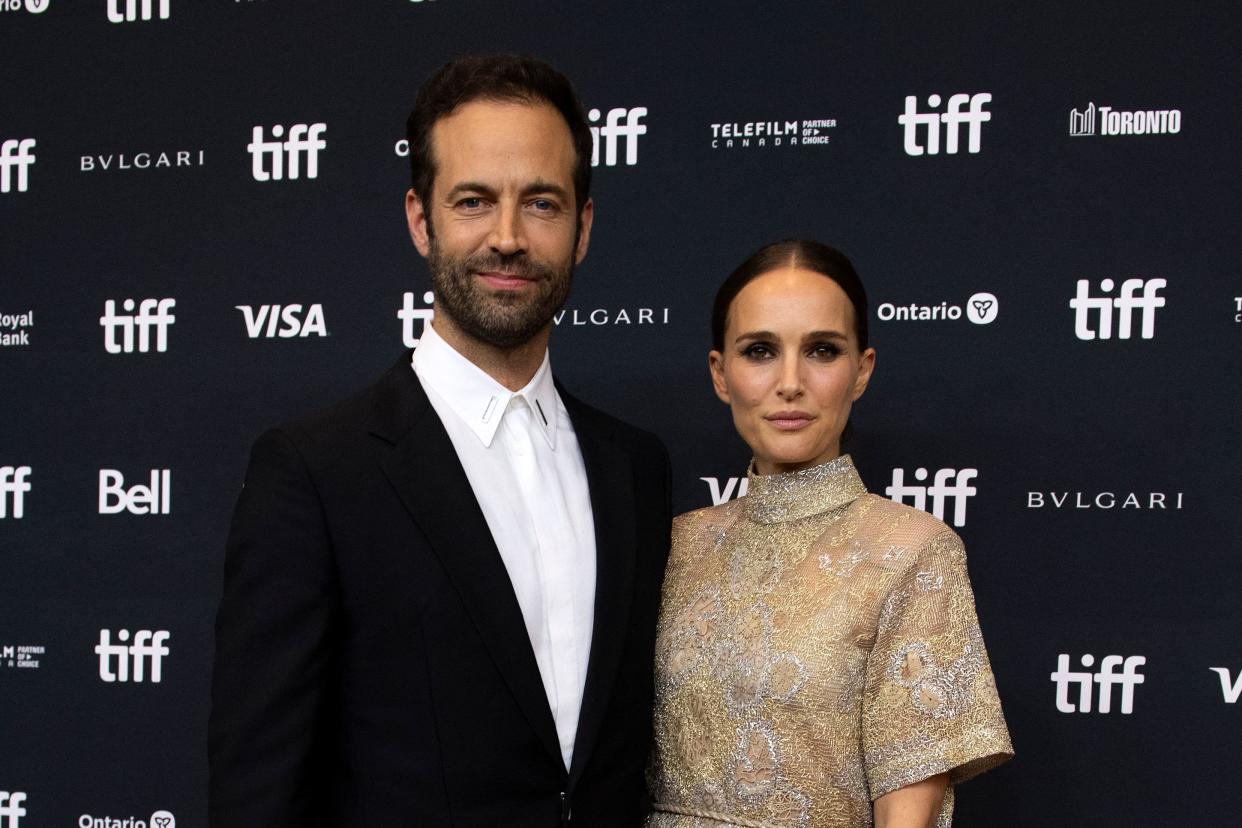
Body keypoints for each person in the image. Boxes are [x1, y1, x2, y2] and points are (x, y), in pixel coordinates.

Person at [208, 54, 671, 828]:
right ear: (421, 219)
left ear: (583, 228)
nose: (509, 237)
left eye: (543, 203)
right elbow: (259, 792)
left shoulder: (637, 468)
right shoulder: (316, 474)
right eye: (473, 201)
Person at [647, 240, 1012, 828]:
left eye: (821, 350)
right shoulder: (671, 545)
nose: (790, 382)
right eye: (760, 350)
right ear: (721, 374)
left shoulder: (913, 551)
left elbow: (907, 809)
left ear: (861, 370)